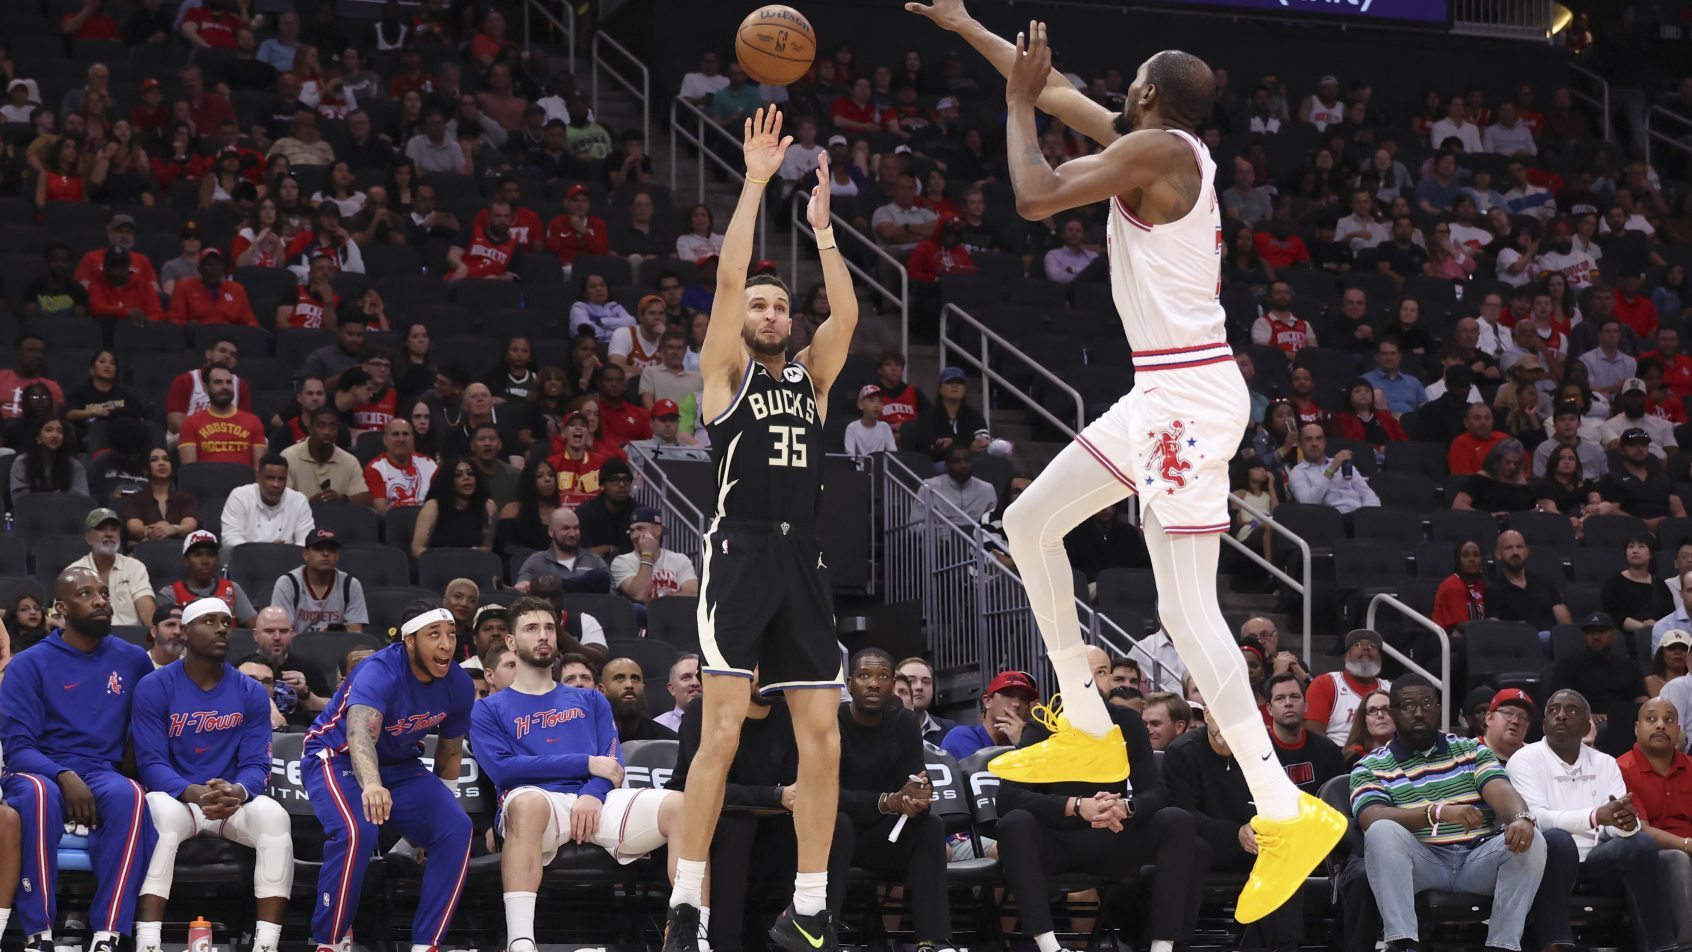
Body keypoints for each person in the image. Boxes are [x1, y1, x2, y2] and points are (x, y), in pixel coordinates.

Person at [662, 106, 861, 952]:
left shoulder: (812, 381)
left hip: (802, 559)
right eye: (762, 304)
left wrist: (823, 235)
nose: (773, 313)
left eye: (783, 306)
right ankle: (686, 906)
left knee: (823, 737)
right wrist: (750, 181)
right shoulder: (724, 373)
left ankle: (810, 906)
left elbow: (846, 321)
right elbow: (729, 273)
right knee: (722, 731)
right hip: (738, 549)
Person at [472, 597, 686, 952]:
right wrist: (584, 763)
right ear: (510, 641)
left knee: (680, 805)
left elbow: (612, 763)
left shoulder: (591, 700)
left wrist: (592, 791)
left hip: (597, 800)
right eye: (531, 628)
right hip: (535, 807)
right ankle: (521, 943)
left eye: (548, 628)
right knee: (525, 802)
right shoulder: (489, 710)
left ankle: (688, 933)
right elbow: (504, 770)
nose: (543, 636)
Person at [0, 567, 158, 952]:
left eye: (103, 593)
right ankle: (39, 932)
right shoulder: (28, 664)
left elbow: (155, 717)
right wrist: (64, 775)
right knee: (39, 794)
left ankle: (109, 933)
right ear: (61, 608)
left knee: (131, 797)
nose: (101, 600)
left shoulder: (134, 660)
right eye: (86, 594)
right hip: (39, 767)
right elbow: (18, 747)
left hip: (103, 771)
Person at [302, 600, 474, 951]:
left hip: (399, 766)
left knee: (456, 827)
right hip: (336, 757)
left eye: (451, 635)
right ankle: (329, 941)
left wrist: (438, 811)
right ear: (410, 641)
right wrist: (373, 784)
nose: (446, 644)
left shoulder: (458, 684)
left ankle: (427, 944)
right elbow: (359, 734)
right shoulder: (378, 670)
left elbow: (450, 751)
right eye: (434, 635)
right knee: (356, 831)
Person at [130, 597, 292, 952]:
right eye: (209, 621)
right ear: (185, 632)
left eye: (226, 621)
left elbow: (256, 764)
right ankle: (148, 942)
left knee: (275, 817)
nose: (221, 628)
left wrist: (236, 791)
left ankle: (266, 944)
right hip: (179, 800)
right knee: (155, 810)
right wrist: (194, 793)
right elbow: (152, 764)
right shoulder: (155, 686)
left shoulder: (249, 690)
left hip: (229, 804)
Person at [1348, 674, 1546, 952]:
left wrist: (1522, 818)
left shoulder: (1470, 749)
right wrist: (1436, 812)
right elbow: (1370, 817)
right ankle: (1402, 942)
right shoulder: (1370, 766)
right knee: (1381, 830)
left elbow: (1500, 788)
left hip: (1477, 860)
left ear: (1439, 708)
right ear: (1393, 713)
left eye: (1427, 703)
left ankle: (1503, 945)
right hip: (1421, 862)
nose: (1419, 712)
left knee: (1533, 837)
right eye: (1407, 706)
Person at [996, 699, 1209, 951]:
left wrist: (1127, 807)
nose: (1090, 680)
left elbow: (1156, 791)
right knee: (1014, 822)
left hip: (1112, 836)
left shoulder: (1127, 721)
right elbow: (1007, 797)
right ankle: (1049, 946)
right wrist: (1076, 805)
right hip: (1056, 842)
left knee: (1176, 820)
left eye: (1100, 672)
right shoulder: (1043, 724)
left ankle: (1162, 946)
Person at [1508, 688, 1675, 952]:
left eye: (1571, 710)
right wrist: (1597, 815)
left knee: (1641, 844)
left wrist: (1626, 825)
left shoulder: (1605, 763)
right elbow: (1536, 818)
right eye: (1554, 710)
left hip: (1597, 861)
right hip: (1545, 864)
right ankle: (1556, 944)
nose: (1561, 716)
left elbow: (1615, 826)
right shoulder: (1523, 760)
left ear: (1587, 726)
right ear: (1543, 724)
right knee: (1557, 840)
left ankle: (1660, 946)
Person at [823, 650, 954, 948]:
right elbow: (826, 795)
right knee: (839, 823)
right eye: (864, 675)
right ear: (849, 683)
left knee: (931, 826)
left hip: (883, 836)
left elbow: (913, 785)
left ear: (892, 684)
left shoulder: (905, 723)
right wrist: (887, 801)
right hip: (834, 838)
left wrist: (919, 801)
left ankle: (933, 941)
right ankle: (824, 936)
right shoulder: (832, 722)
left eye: (882, 676)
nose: (873, 684)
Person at [1617, 698, 1692, 945]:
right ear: (1637, 728)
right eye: (1652, 719)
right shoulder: (1620, 769)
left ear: (1678, 731)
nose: (1661, 725)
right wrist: (1685, 844)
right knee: (1677, 860)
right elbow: (1641, 831)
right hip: (1652, 856)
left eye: (1668, 720)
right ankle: (1686, 943)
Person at [1548, 613, 1650, 756]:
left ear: (1614, 634)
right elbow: (1557, 700)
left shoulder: (1627, 664)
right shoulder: (1569, 664)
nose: (1595, 636)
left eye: (1601, 631)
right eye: (1590, 632)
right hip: (1585, 722)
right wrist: (1587, 715)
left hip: (1623, 720)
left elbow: (1642, 699)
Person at [69, 507, 157, 628]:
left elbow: (146, 608)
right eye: (101, 529)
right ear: (88, 538)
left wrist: (154, 631)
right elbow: (61, 616)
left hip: (130, 640)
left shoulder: (134, 567)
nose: (109, 534)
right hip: (91, 640)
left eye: (114, 529)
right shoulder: (73, 573)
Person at [269, 528, 368, 633]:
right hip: (296, 648)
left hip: (337, 647)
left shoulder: (351, 585)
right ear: (306, 554)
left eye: (331, 549)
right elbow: (282, 634)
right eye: (318, 548)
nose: (326, 554)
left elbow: (356, 633)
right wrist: (317, 640)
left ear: (338, 556)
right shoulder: (287, 583)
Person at [1304, 629, 1390, 745]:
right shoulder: (1326, 683)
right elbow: (1314, 736)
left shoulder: (1390, 688)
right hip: (1338, 755)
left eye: (1372, 646)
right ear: (1345, 657)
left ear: (1380, 658)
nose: (1366, 648)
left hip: (1384, 757)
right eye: (1357, 645)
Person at [156, 530, 257, 627]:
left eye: (210, 554)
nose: (205, 561)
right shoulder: (171, 594)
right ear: (186, 560)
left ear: (217, 559)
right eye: (197, 555)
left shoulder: (232, 589)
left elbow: (257, 627)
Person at [177, 365, 265, 468]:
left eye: (229, 382)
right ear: (206, 388)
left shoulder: (253, 422)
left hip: (244, 483)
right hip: (206, 482)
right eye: (218, 382)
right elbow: (189, 471)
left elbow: (259, 471)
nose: (225, 387)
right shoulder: (190, 423)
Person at [219, 455, 315, 547]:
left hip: (286, 561)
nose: (276, 484)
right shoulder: (240, 496)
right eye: (270, 478)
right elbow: (230, 539)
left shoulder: (298, 501)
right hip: (246, 561)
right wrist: (266, 552)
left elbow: (306, 543)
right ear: (258, 478)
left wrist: (285, 553)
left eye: (281, 479)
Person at [281, 406, 369, 505]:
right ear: (310, 429)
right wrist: (308, 504)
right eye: (321, 426)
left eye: (332, 427)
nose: (327, 432)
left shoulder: (350, 461)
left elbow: (363, 499)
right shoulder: (288, 457)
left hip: (337, 518)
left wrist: (342, 500)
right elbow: (281, 498)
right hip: (298, 518)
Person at [1488, 530, 1572, 634]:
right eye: (1508, 548)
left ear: (1526, 552)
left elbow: (1565, 623)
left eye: (1519, 547)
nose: (1515, 552)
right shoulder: (1493, 590)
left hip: (1552, 641)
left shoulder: (1544, 582)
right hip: (1520, 643)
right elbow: (1494, 630)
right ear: (1498, 554)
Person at [610, 507, 699, 605]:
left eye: (640, 529)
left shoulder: (680, 559)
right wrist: (647, 554)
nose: (634, 536)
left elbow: (693, 593)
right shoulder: (622, 561)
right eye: (632, 531)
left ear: (658, 530)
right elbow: (640, 595)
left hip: (677, 614)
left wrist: (667, 600)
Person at [941, 669, 1037, 759]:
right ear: (987, 701)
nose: (1017, 704)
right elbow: (985, 775)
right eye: (1008, 695)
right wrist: (1023, 748)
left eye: (1024, 699)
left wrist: (1024, 744)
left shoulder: (1035, 743)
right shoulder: (961, 736)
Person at [1289, 423, 1380, 514]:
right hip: (1330, 522)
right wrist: (1331, 470)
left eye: (1319, 438)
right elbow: (1307, 503)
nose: (1315, 444)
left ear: (1324, 442)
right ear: (1299, 444)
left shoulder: (1342, 463)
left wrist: (1368, 515)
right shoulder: (1297, 473)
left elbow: (1368, 495)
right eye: (1309, 439)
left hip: (1359, 517)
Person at [363, 417, 436, 515]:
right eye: (395, 434)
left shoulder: (428, 464)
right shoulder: (375, 469)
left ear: (413, 439)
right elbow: (382, 513)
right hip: (395, 525)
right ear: (385, 440)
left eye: (405, 434)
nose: (401, 439)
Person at [601, 657, 679, 743]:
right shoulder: (587, 737)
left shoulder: (667, 741)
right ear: (601, 690)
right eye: (620, 678)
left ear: (643, 689)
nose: (629, 685)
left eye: (635, 679)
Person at [919, 443, 997, 523]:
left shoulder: (987, 489)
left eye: (967, 461)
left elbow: (994, 523)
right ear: (946, 465)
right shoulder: (929, 487)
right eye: (956, 461)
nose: (963, 465)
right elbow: (915, 524)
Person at [897, 657, 957, 745]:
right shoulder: (879, 729)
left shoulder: (950, 731)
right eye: (910, 681)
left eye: (926, 682)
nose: (919, 687)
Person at [1342, 689, 1395, 766]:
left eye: (1386, 709)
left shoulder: (1411, 752)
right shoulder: (1353, 758)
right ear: (1363, 720)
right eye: (1372, 710)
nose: (1380, 715)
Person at [845, 386, 897, 457]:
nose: (877, 405)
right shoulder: (852, 428)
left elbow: (893, 454)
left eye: (880, 401)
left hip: (880, 467)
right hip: (859, 467)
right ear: (860, 405)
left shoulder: (884, 427)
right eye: (871, 400)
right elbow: (850, 456)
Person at [655, 654, 702, 732]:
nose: (695, 683)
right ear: (672, 689)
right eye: (686, 678)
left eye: (701, 676)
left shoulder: (726, 723)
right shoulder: (657, 728)